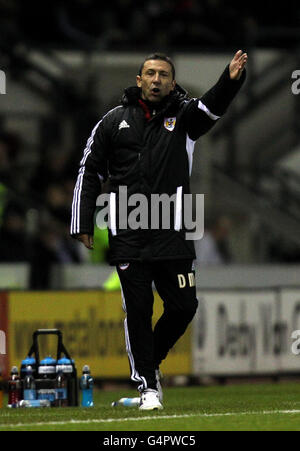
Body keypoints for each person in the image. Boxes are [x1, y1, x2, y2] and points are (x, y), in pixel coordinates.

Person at [70, 51, 247, 410]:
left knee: (184, 306)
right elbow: (90, 171)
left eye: (163, 75)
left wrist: (230, 80)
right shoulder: (112, 121)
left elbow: (212, 107)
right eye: (150, 73)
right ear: (139, 80)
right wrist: (82, 221)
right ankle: (148, 388)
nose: (156, 79)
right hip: (129, 233)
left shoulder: (184, 117)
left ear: (171, 81)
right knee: (138, 309)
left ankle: (151, 365)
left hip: (173, 231)